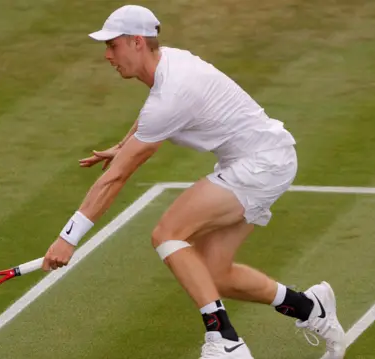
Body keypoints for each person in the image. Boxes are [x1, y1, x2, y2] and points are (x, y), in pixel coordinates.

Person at [41, 4, 346, 359]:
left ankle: (225, 340)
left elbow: (117, 177)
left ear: (137, 42)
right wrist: (123, 146)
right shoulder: (168, 64)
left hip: (261, 164)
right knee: (214, 274)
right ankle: (310, 308)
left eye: (113, 45)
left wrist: (68, 238)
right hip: (264, 158)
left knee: (168, 234)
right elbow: (150, 114)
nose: (107, 55)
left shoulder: (172, 92)